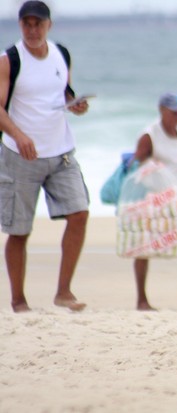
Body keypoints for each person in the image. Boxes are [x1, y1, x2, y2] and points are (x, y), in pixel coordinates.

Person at [0, 1, 90, 313]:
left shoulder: (61, 54)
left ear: (49, 25)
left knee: (79, 213)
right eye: (27, 23)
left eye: (38, 23)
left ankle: (63, 292)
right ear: (20, 25)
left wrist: (75, 104)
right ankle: (18, 300)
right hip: (19, 156)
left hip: (61, 151)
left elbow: (61, 93)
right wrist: (19, 135)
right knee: (19, 231)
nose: (33, 29)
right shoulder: (9, 59)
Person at [129, 92, 177, 311]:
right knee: (144, 248)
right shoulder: (149, 135)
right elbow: (137, 164)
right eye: (173, 112)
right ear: (162, 110)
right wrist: (153, 168)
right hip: (153, 198)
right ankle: (141, 301)